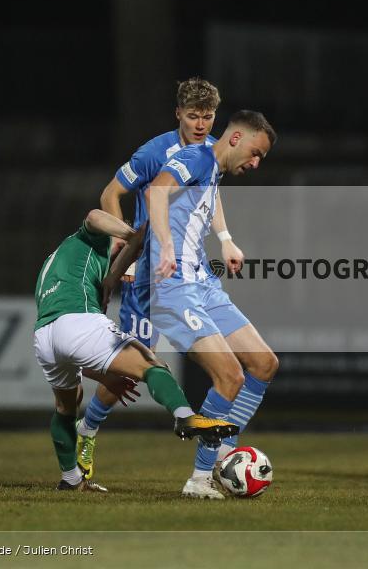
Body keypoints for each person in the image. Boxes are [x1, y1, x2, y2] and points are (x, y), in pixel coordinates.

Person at [74, 77, 224, 480]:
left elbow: (212, 197)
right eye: (193, 115)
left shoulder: (212, 151)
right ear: (178, 113)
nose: (200, 124)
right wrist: (122, 257)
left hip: (190, 272)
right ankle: (86, 429)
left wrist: (225, 238)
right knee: (131, 366)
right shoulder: (154, 152)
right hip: (146, 274)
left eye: (207, 116)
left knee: (225, 358)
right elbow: (110, 195)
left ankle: (214, 447)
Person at [33, 209, 239, 491]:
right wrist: (130, 238)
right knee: (152, 365)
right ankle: (184, 416)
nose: (126, 258)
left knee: (66, 407)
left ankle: (71, 481)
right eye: (122, 250)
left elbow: (69, 344)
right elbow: (94, 216)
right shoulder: (91, 240)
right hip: (76, 322)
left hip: (45, 336)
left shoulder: (58, 263)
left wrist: (105, 376)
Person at [143, 110, 279, 499]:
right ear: (236, 139)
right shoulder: (196, 157)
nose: (255, 163)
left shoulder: (212, 167)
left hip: (203, 283)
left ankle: (224, 447)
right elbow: (156, 191)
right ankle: (201, 478)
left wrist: (225, 238)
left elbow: (208, 199)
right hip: (175, 287)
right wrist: (166, 245)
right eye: (256, 153)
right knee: (230, 375)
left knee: (264, 363)